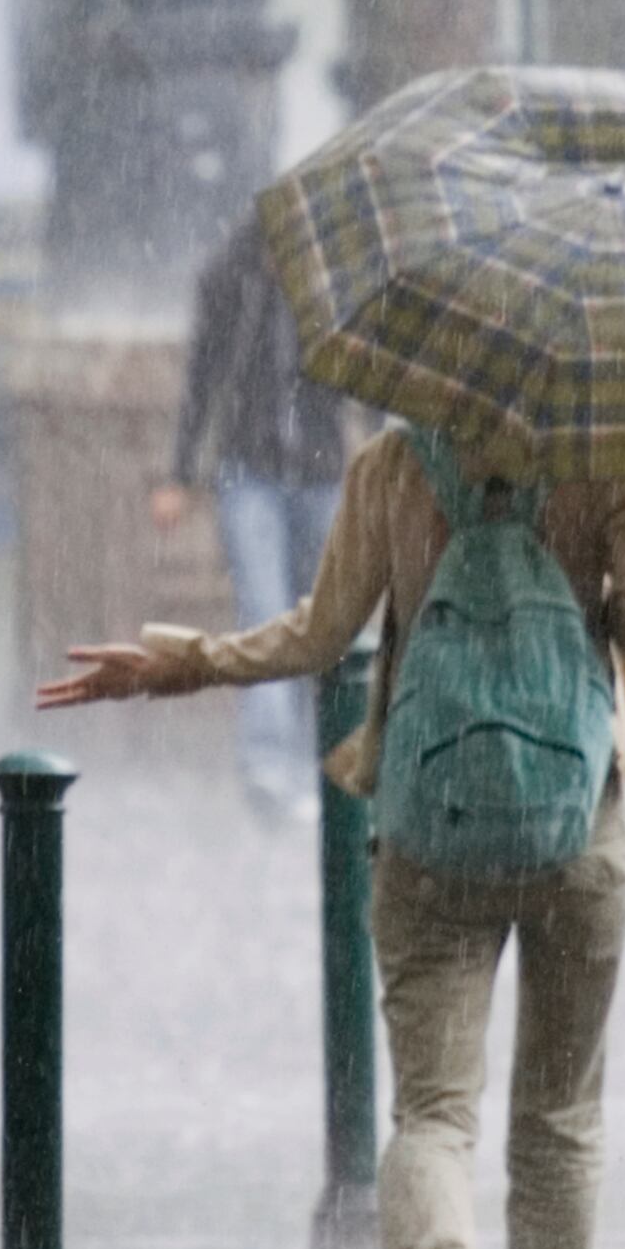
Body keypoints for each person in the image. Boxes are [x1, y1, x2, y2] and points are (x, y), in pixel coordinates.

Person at [38, 420, 625, 1249]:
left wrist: (181, 663)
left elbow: (321, 634)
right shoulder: (609, 446)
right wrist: (622, 552)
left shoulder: (397, 459)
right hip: (577, 828)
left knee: (431, 1108)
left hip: (431, 827)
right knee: (559, 1120)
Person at [153, 212, 358, 823]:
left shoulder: (336, 289)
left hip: (318, 475)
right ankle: (269, 766)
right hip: (252, 474)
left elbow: (365, 382)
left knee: (319, 621)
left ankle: (313, 763)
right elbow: (203, 380)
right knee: (266, 613)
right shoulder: (230, 280)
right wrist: (182, 473)